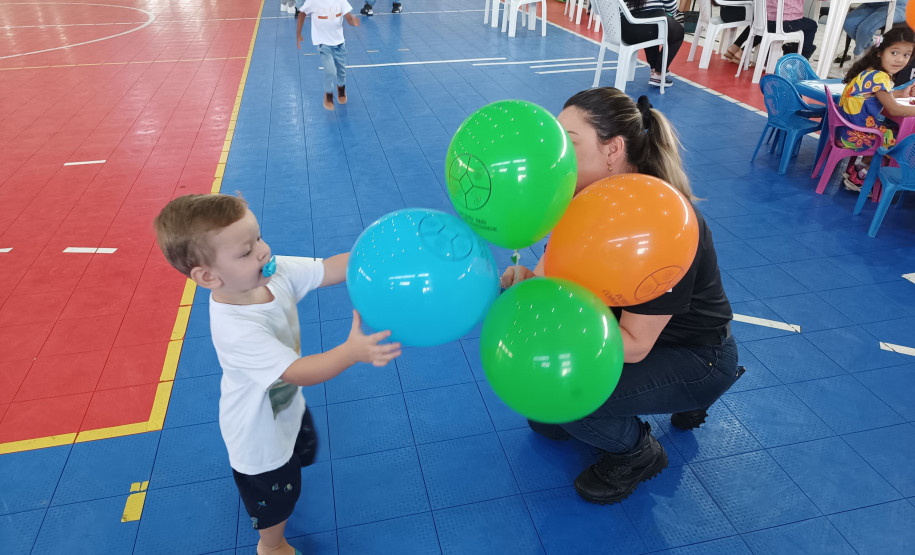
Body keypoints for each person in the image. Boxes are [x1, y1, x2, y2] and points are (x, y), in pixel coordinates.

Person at [500, 88, 742, 505]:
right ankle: (653, 402)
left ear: (612, 150)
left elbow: (633, 346)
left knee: (564, 395)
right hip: (624, 331)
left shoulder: (662, 224)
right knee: (546, 419)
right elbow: (551, 278)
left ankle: (639, 454)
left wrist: (559, 353)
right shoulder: (581, 200)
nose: (554, 158)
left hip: (693, 354)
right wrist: (527, 283)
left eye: (568, 145)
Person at [154, 194, 401, 555]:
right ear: (208, 276)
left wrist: (373, 263)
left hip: (283, 406)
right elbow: (299, 371)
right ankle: (272, 546)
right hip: (257, 438)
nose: (263, 252)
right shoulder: (237, 329)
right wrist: (351, 352)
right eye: (245, 251)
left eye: (259, 238)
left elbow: (328, 268)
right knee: (278, 499)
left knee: (300, 451)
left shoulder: (272, 272)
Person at [838, 26, 915, 191]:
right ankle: (861, 177)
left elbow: (879, 95)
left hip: (845, 129)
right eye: (894, 53)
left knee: (888, 130)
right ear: (880, 52)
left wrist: (902, 93)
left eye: (906, 55)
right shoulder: (880, 77)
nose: (900, 60)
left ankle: (858, 169)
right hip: (854, 135)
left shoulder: (871, 72)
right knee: (898, 140)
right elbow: (894, 110)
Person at [296, 0, 361, 111]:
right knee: (330, 71)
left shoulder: (341, 1)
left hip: (339, 43)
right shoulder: (313, 2)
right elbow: (302, 13)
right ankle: (329, 96)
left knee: (341, 70)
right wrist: (298, 33)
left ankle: (341, 88)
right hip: (324, 44)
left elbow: (348, 18)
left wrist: (353, 21)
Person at [722, 0, 817, 63]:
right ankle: (803, 61)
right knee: (812, 25)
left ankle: (741, 50)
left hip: (765, 21)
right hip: (785, 23)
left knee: (766, 26)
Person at [622, 0, 685, 87]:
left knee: (652, 30)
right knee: (678, 33)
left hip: (625, 33)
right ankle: (658, 73)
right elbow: (671, 6)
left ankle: (654, 68)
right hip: (648, 28)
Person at [843, 0, 909, 58]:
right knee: (848, 23)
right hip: (874, 3)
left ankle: (859, 55)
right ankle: (869, 50)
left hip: (897, 5)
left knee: (866, 28)